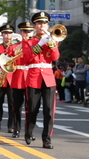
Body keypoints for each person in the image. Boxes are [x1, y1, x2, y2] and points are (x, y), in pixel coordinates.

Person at [21, 12, 60, 149]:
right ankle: (28, 132)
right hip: (34, 77)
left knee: (49, 111)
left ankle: (47, 138)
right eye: (39, 23)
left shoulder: (52, 39)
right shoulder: (28, 41)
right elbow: (27, 58)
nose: (42, 25)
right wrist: (40, 43)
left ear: (48, 25)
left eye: (44, 23)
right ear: (34, 26)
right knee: (32, 109)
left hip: (48, 78)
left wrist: (50, 43)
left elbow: (55, 57)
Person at [8, 21, 34, 139]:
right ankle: (16, 128)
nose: (27, 34)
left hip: (30, 76)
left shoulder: (35, 45)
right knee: (16, 106)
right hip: (18, 77)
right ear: (20, 33)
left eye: (29, 31)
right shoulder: (14, 47)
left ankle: (29, 131)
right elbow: (8, 62)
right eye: (24, 31)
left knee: (31, 106)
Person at [0, 24, 15, 132]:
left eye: (9, 33)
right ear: (2, 35)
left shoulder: (15, 48)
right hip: (0, 79)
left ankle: (11, 125)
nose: (7, 36)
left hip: (12, 79)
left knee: (12, 103)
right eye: (5, 33)